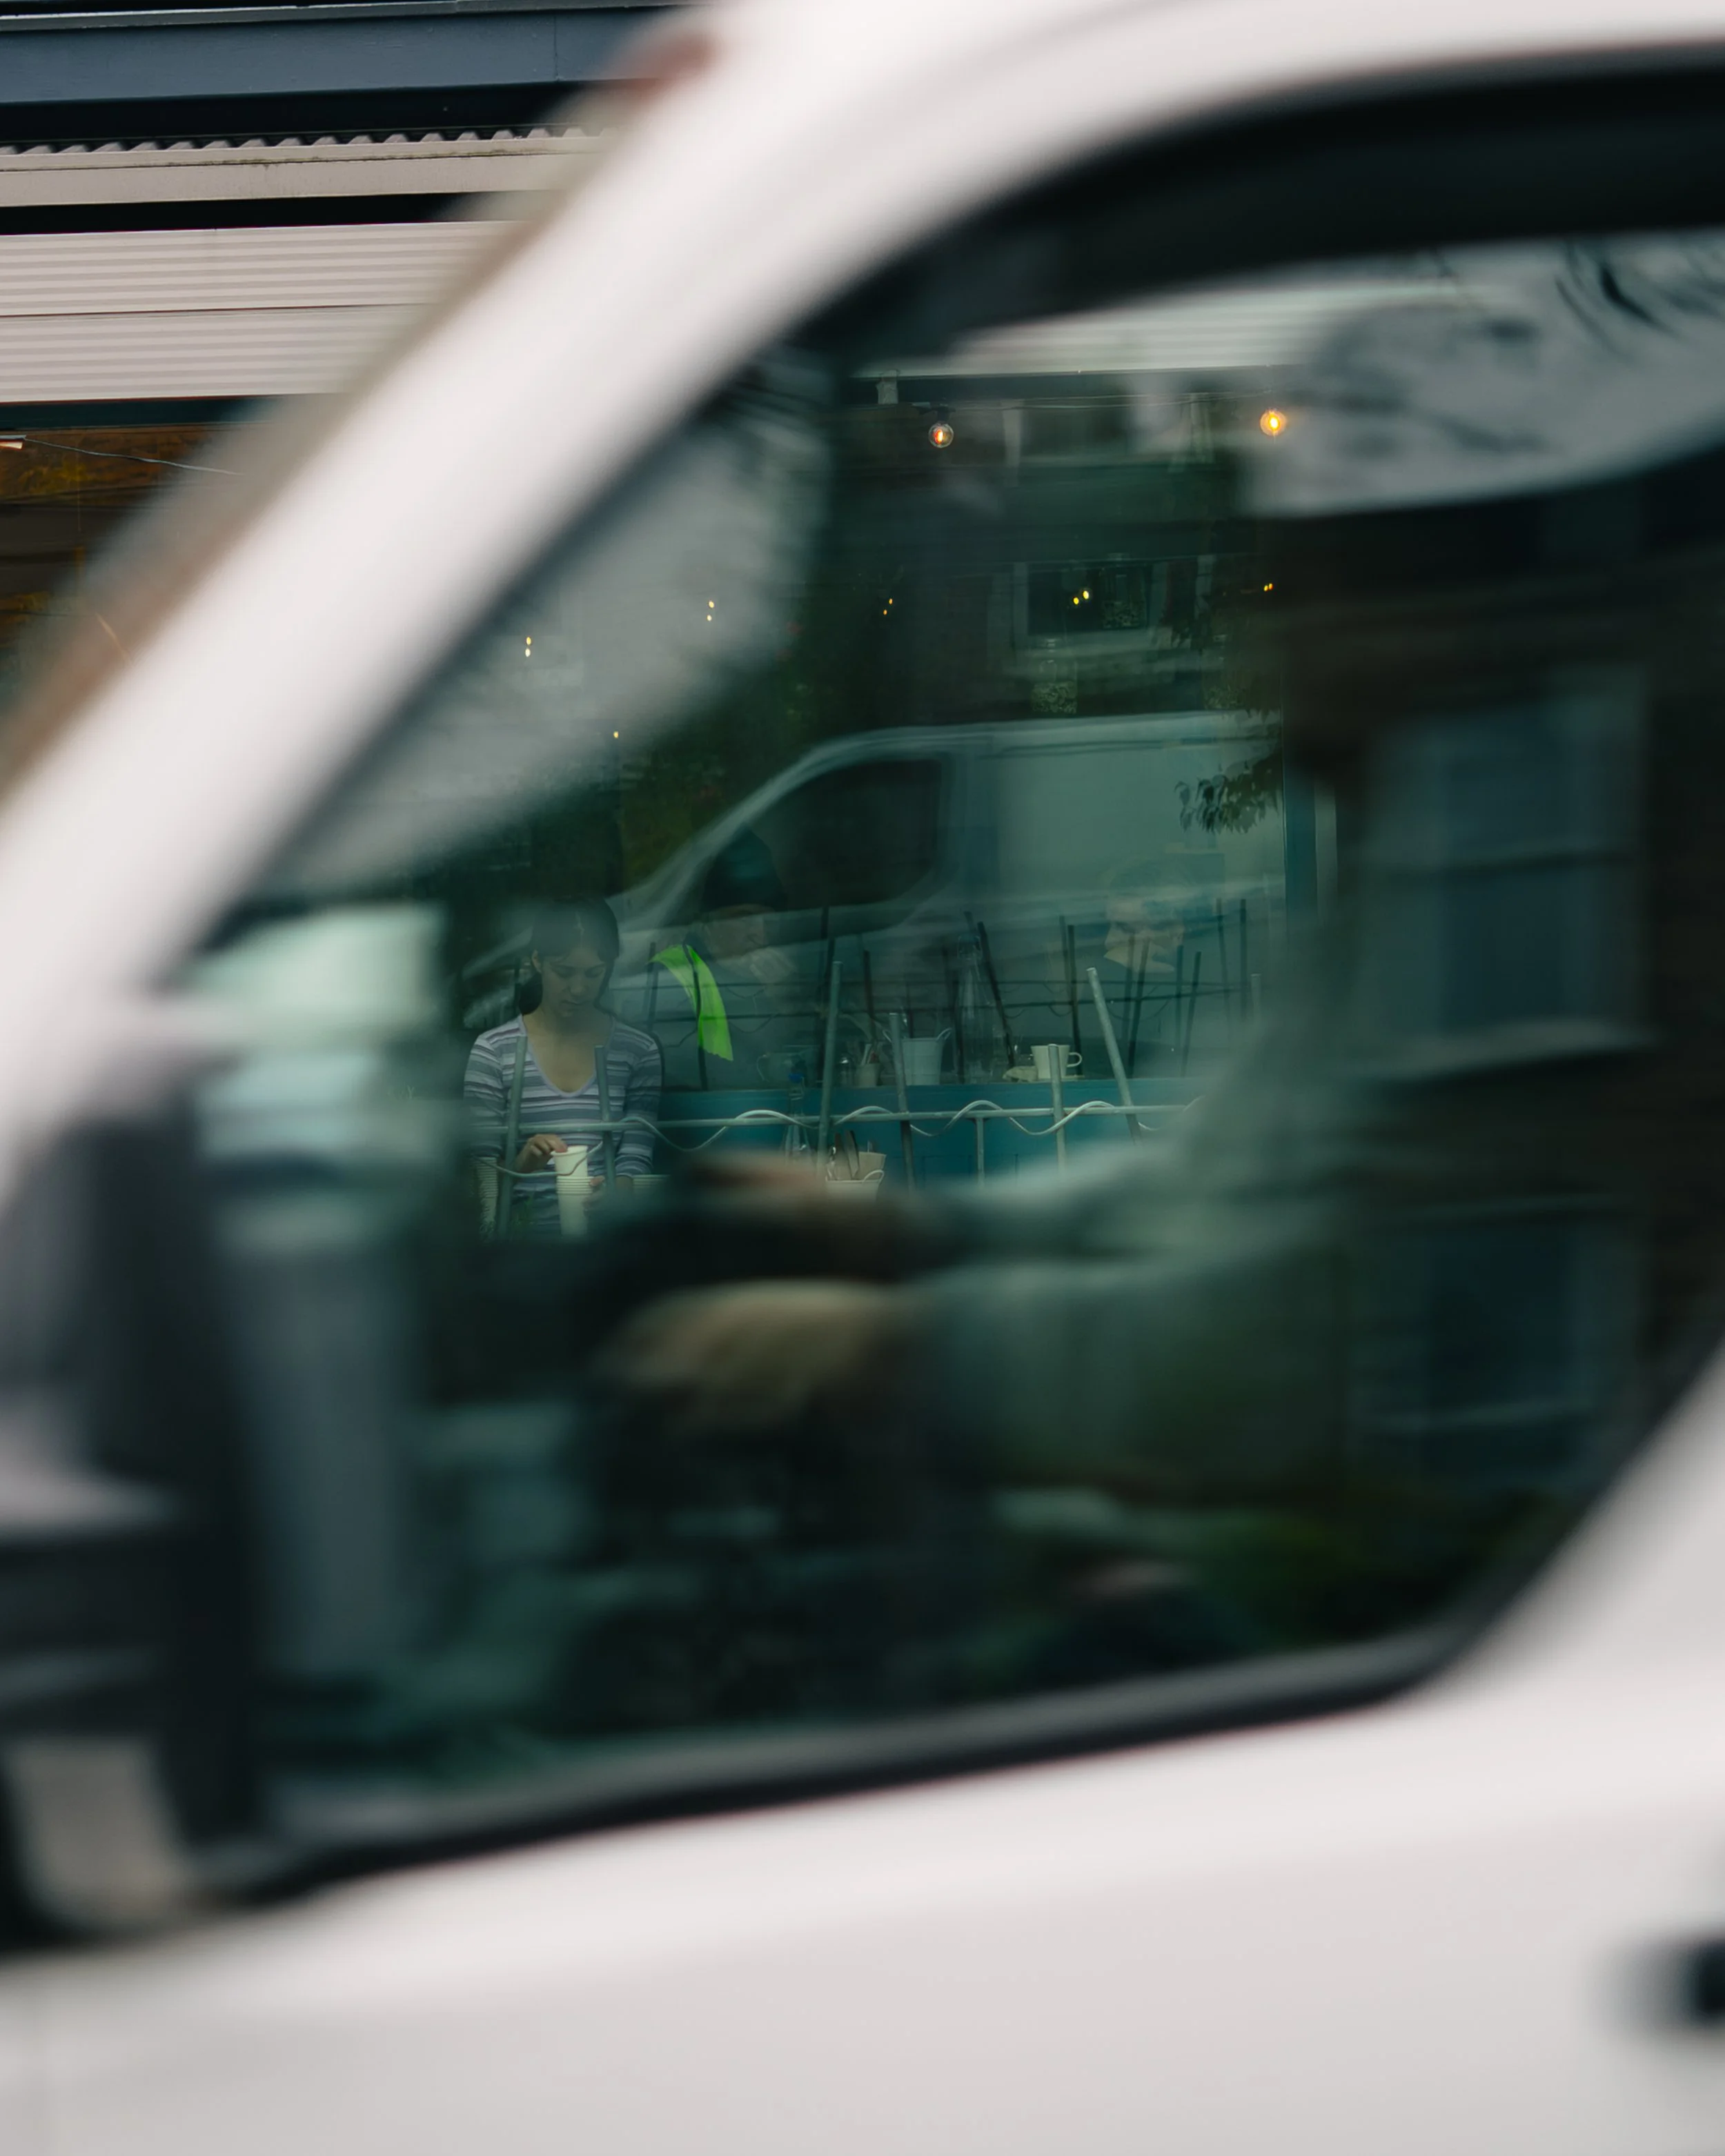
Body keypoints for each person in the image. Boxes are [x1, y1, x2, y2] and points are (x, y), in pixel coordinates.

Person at [466, 898, 662, 1234]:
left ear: (609, 967)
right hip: (520, 1241)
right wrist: (521, 1165)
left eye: (593, 973)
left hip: (608, 1240)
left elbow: (636, 1156)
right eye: (564, 972)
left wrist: (619, 1190)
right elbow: (479, 1173)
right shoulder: (494, 1050)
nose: (579, 988)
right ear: (538, 961)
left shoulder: (637, 1051)